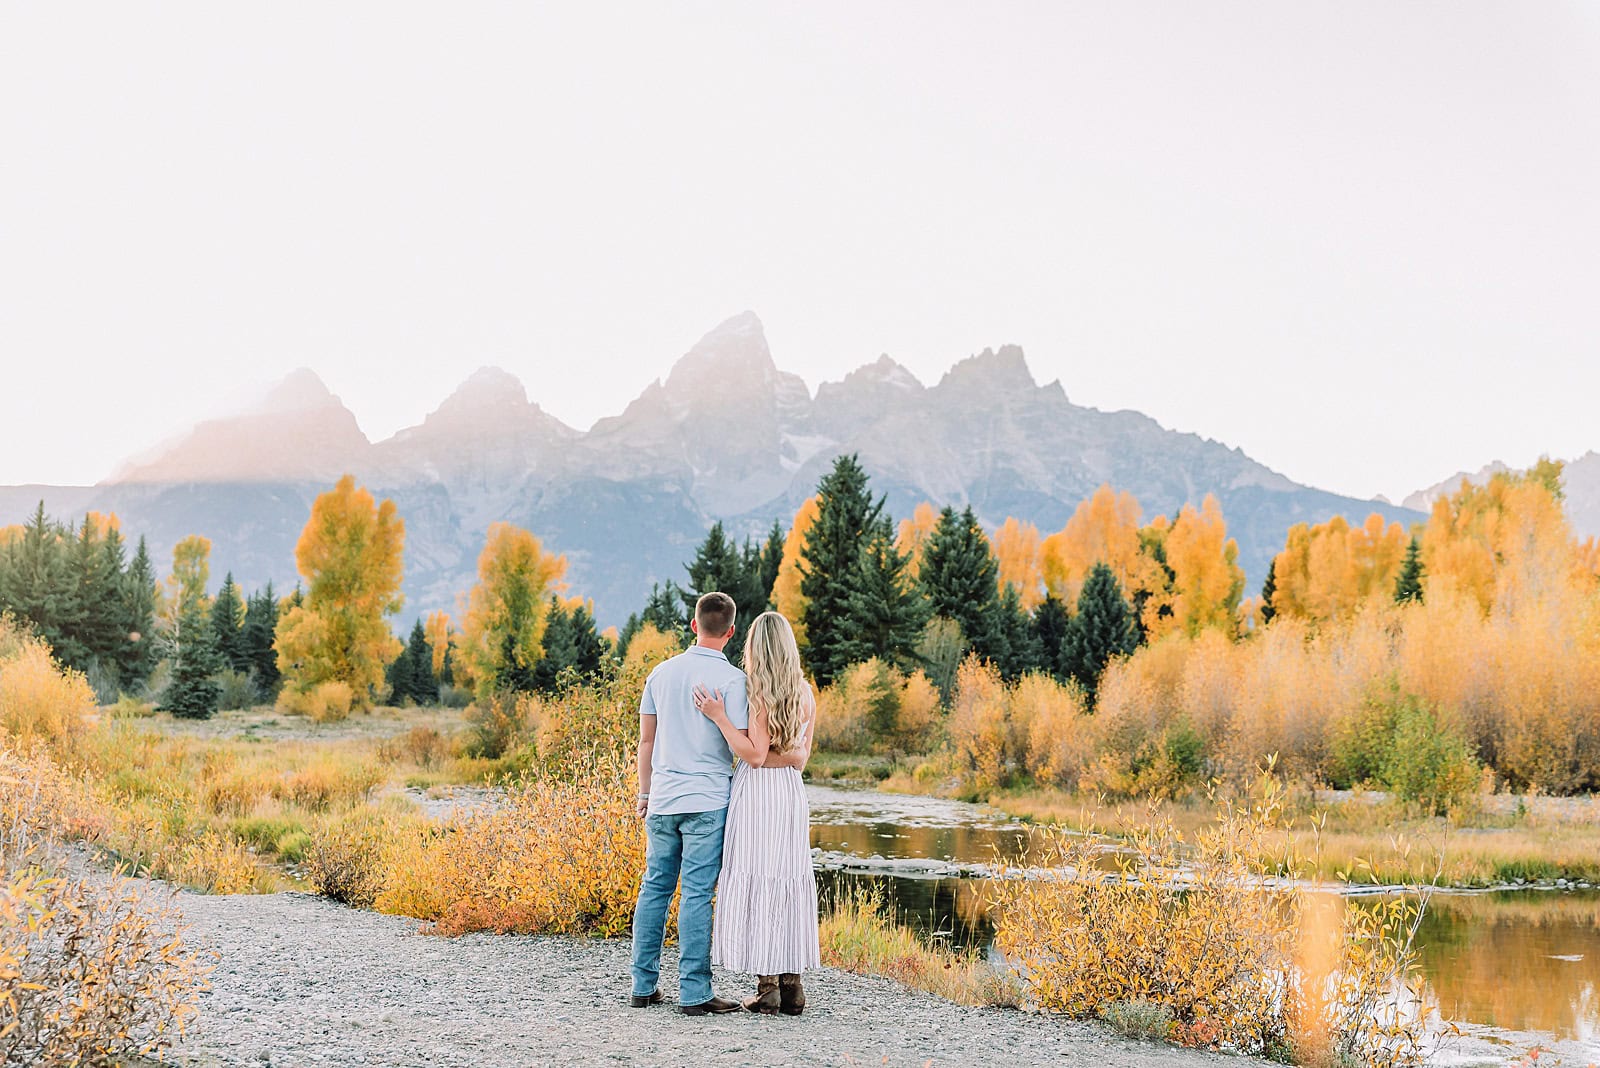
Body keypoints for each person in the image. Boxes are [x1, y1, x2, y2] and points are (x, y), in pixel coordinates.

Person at [693, 610, 820, 1016]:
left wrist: (720, 719)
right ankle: (792, 985)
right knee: (786, 878)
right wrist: (785, 755)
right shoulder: (804, 692)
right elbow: (800, 758)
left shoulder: (759, 694)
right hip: (790, 797)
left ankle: (768, 989)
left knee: (761, 877)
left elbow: (754, 754)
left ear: (755, 649)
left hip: (759, 795)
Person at [628, 591, 749, 1016]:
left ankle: (642, 987)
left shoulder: (659, 674)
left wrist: (644, 793)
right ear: (731, 632)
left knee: (655, 887)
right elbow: (742, 745)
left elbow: (646, 742)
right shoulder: (735, 681)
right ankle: (695, 993)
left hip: (662, 799)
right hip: (708, 800)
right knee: (697, 893)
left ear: (694, 625)